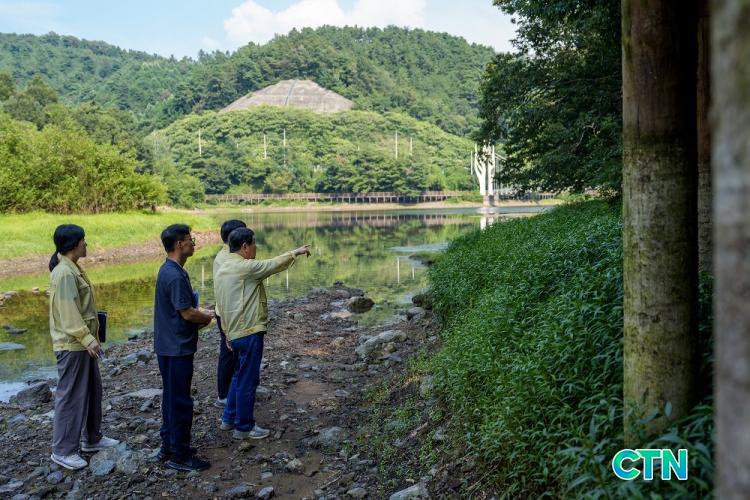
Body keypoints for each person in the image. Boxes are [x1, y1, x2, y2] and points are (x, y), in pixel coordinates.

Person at [214, 228, 310, 440]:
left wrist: (227, 332)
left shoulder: (223, 267)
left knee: (238, 375)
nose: (256, 248)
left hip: (233, 332)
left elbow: (221, 304)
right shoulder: (245, 267)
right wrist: (296, 252)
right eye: (254, 244)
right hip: (249, 331)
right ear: (245, 247)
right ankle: (244, 427)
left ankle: (228, 419)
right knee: (248, 380)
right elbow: (272, 264)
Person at [48, 224, 120, 470]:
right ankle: (63, 450)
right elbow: (68, 314)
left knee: (92, 391)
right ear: (73, 245)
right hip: (73, 345)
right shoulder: (64, 274)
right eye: (83, 241)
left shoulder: (73, 268)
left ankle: (92, 438)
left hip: (83, 344)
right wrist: (87, 339)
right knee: (71, 397)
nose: (86, 244)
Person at [153, 224, 214, 472]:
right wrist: (208, 317)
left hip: (166, 345)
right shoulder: (175, 275)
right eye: (190, 240)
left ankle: (168, 445)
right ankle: (180, 454)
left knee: (171, 397)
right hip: (177, 348)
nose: (193, 244)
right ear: (179, 244)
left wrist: (201, 313)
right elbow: (187, 313)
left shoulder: (168, 269)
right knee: (180, 401)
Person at [212, 219, 247, 408]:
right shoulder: (227, 258)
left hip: (227, 311)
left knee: (232, 352)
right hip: (227, 313)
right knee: (228, 352)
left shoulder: (229, 254)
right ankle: (224, 395)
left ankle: (231, 391)